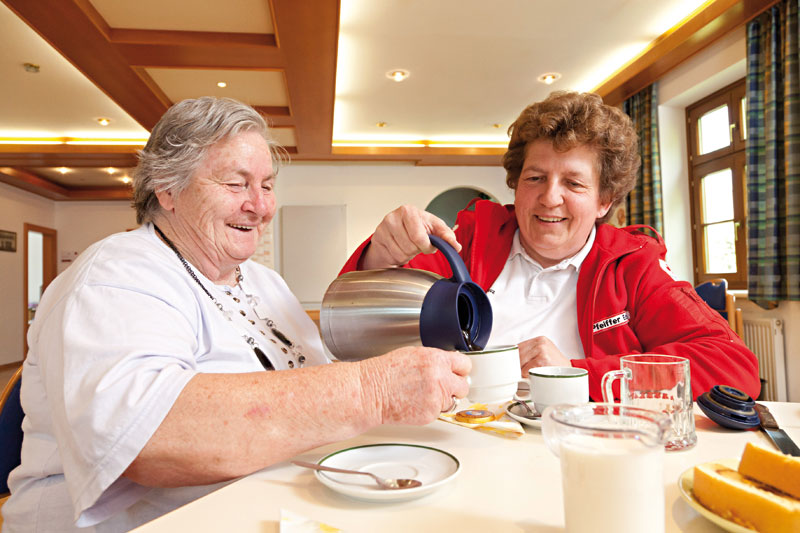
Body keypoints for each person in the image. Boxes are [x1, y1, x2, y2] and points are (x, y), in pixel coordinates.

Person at [2, 97, 470, 532]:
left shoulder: (265, 281)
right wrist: (372, 391)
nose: (260, 206)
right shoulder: (115, 276)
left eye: (266, 186)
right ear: (167, 188)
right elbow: (146, 437)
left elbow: (315, 374)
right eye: (236, 183)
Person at [340, 90, 761, 402]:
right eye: (535, 178)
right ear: (516, 184)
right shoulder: (468, 243)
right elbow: (350, 327)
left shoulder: (632, 264)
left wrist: (576, 374)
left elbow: (732, 366)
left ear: (604, 200)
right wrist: (381, 254)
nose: (549, 197)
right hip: (460, 443)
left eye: (573, 183)